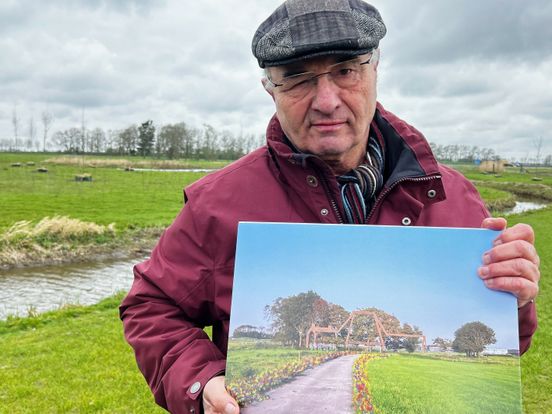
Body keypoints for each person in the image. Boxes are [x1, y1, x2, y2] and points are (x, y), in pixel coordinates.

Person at [120, 1, 540, 413]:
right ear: (270, 87)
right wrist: (201, 380)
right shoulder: (217, 204)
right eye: (298, 78)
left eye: (345, 70)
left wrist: (513, 301)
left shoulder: (455, 196)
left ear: (375, 68)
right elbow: (150, 307)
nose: (326, 100)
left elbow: (502, 352)